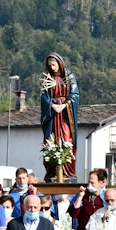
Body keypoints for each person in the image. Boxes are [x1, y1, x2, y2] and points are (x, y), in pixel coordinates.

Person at [40, 52, 80, 182]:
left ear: (59, 63)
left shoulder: (68, 76)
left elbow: (75, 94)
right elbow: (44, 98)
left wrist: (64, 105)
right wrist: (52, 105)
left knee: (66, 138)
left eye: (54, 64)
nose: (52, 68)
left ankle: (68, 171)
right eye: (50, 65)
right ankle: (53, 171)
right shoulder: (48, 78)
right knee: (52, 140)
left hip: (65, 115)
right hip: (53, 115)